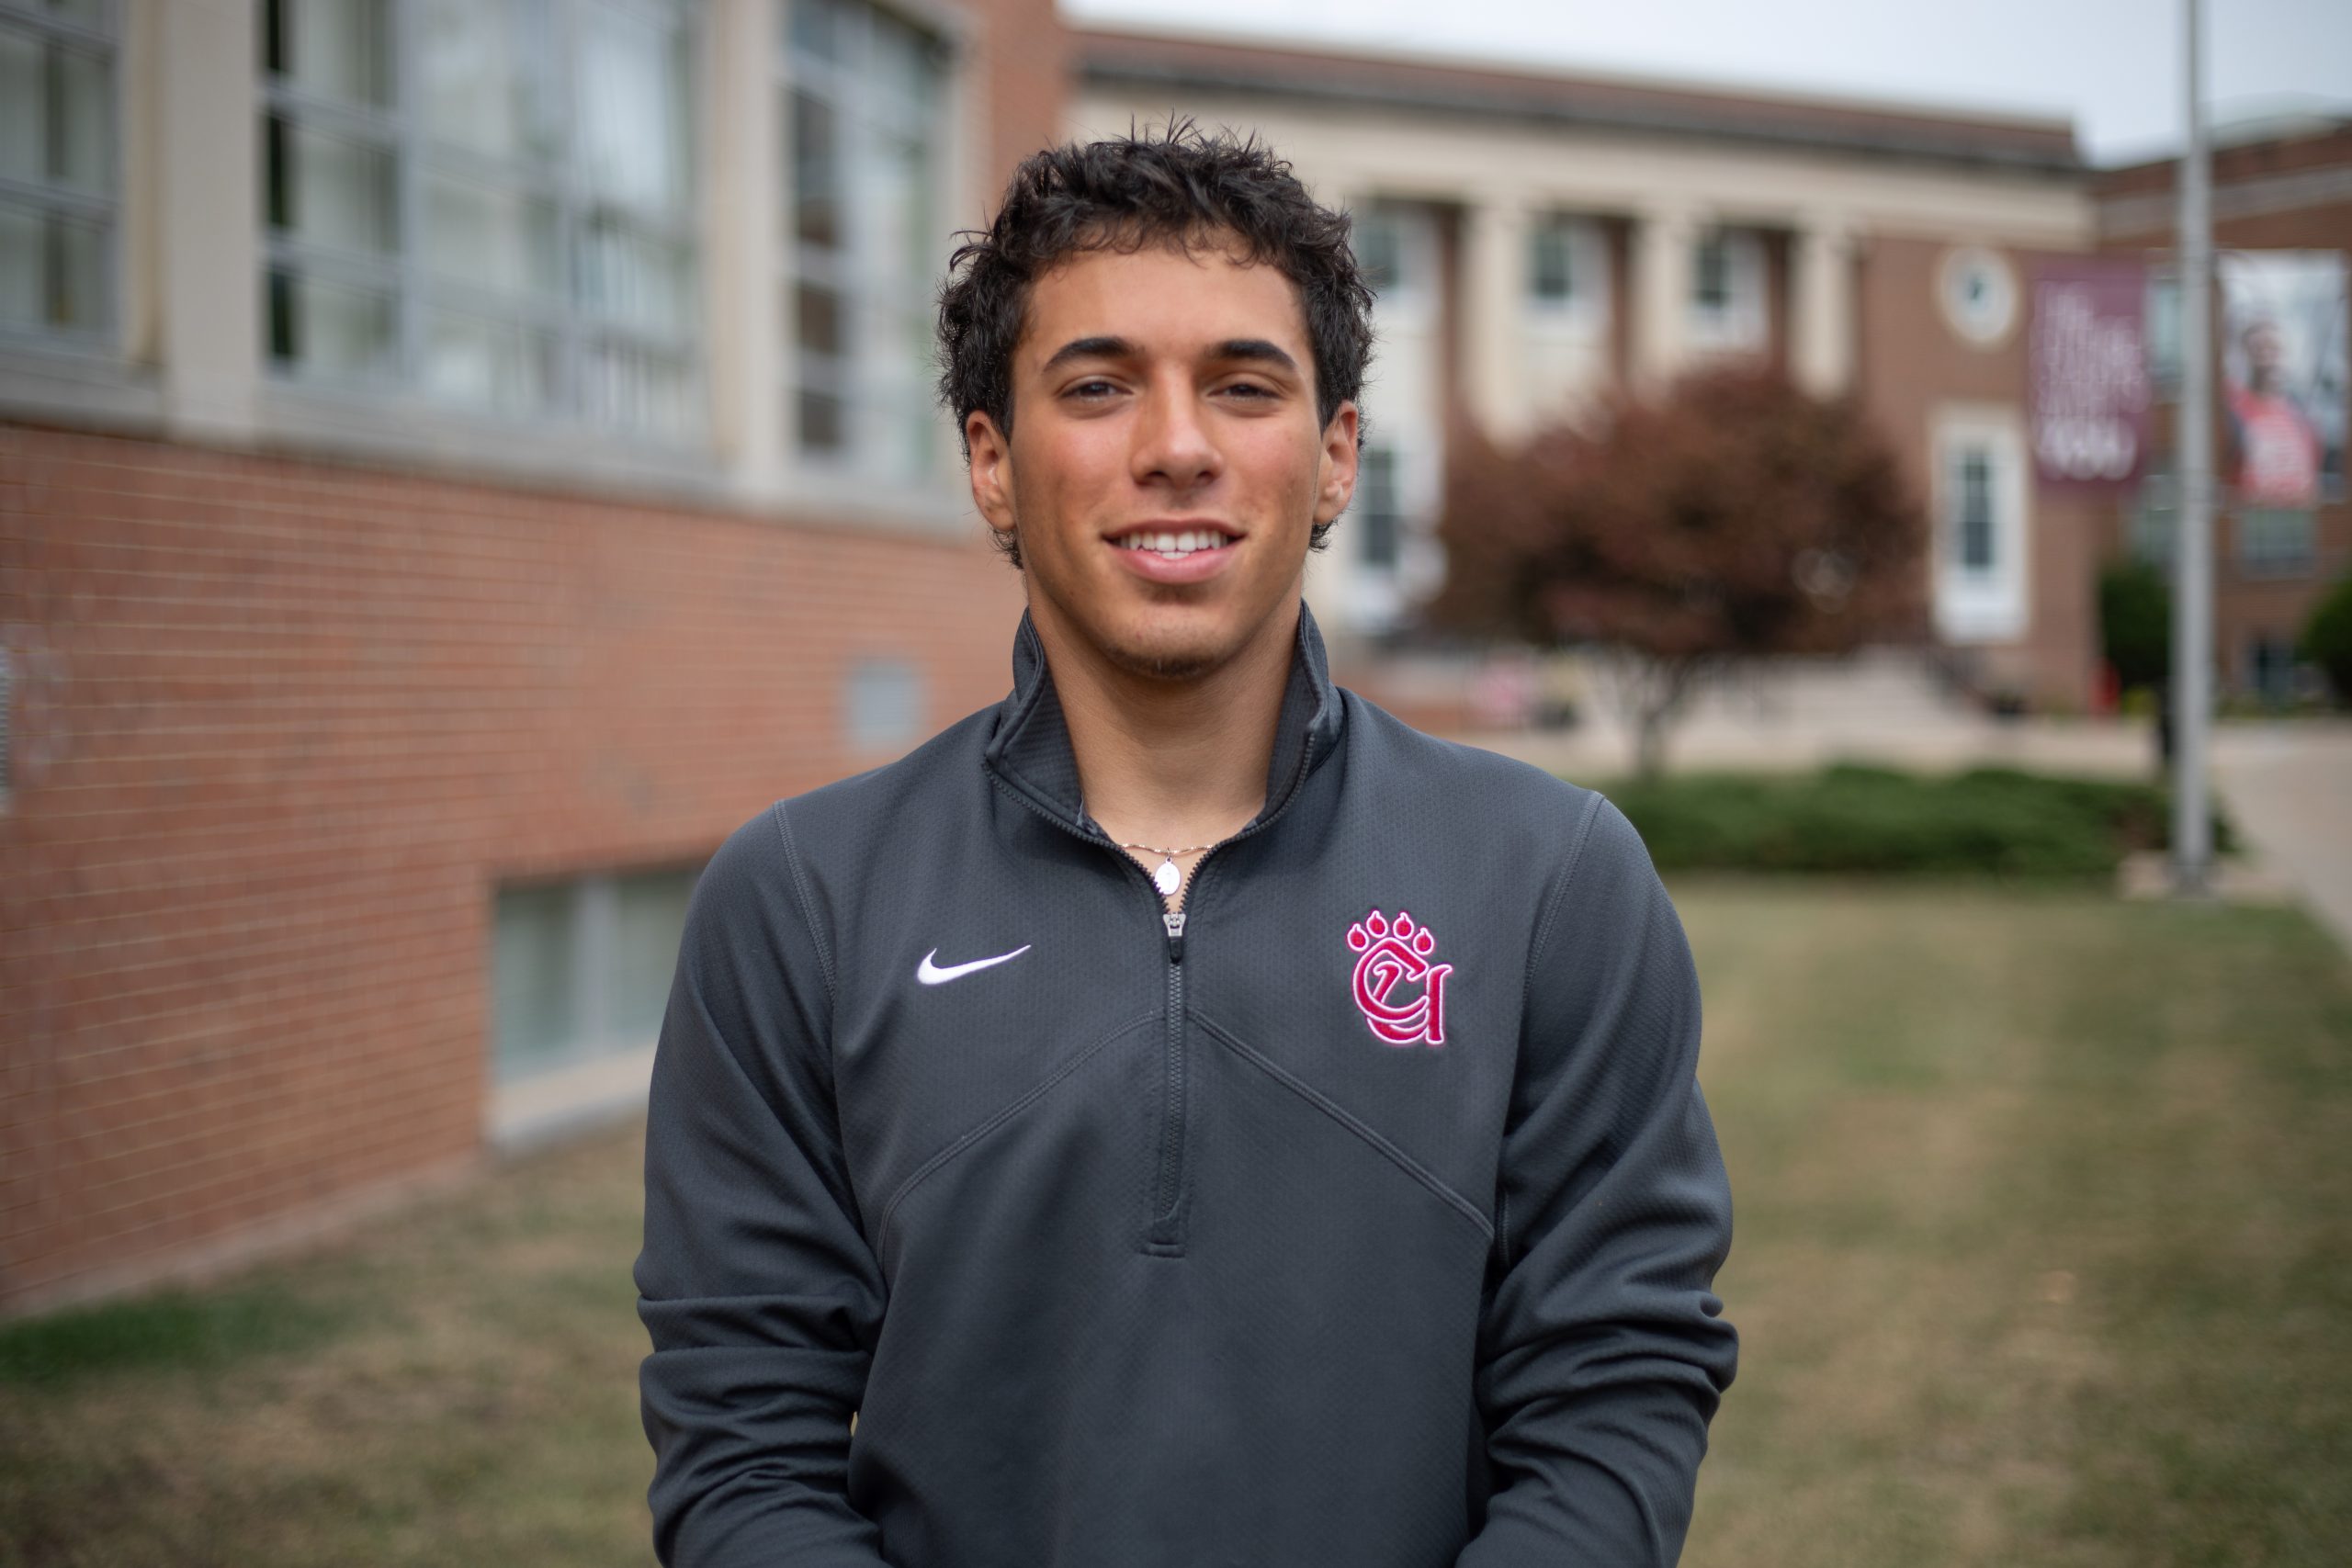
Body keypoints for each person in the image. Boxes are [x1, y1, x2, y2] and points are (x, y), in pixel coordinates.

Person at [634, 123, 1737, 1567]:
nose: (1176, 449)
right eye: (1096, 387)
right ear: (990, 463)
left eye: (1243, 386)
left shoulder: (1551, 885)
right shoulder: (799, 902)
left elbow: (1614, 1397)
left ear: (1336, 458)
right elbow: (742, 1456)